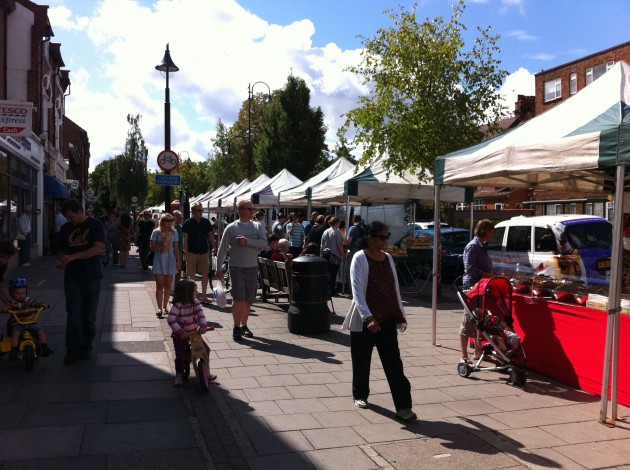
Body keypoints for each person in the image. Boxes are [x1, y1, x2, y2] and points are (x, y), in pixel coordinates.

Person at [341, 221, 416, 421]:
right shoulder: (359, 257)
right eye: (382, 237)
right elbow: (357, 291)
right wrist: (368, 317)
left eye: (387, 236)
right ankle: (360, 394)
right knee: (361, 359)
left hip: (387, 317)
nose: (386, 240)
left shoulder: (388, 258)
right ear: (370, 238)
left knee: (394, 363)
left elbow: (394, 288)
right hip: (365, 319)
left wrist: (400, 315)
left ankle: (404, 407)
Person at [57, 198, 105, 365]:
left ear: (80, 212)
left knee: (89, 315)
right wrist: (62, 259)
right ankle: (73, 349)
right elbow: (61, 249)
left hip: (92, 276)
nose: (70, 220)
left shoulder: (95, 224)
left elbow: (97, 248)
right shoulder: (65, 228)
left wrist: (73, 257)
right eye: (67, 218)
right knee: (73, 314)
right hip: (72, 277)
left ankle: (86, 347)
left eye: (71, 217)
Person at [216, 199, 267, 341]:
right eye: (249, 209)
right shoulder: (231, 228)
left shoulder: (257, 226)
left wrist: (247, 241)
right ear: (240, 210)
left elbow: (264, 243)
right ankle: (236, 326)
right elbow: (222, 250)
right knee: (238, 297)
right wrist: (218, 268)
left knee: (248, 299)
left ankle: (244, 325)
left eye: (252, 209)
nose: (252, 211)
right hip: (236, 266)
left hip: (252, 267)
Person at [167, 278, 215, 387]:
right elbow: (171, 319)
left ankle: (206, 372)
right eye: (195, 290)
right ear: (187, 293)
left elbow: (201, 315)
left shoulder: (196, 303)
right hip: (180, 336)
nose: (197, 292)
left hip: (194, 334)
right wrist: (180, 331)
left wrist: (203, 326)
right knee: (180, 356)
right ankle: (179, 374)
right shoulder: (178, 305)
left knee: (206, 350)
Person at [460, 219, 495, 363]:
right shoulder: (473, 246)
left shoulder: (481, 246)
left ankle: (478, 351)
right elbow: (469, 268)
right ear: (485, 231)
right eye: (492, 231)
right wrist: (486, 274)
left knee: (479, 320)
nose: (493, 234)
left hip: (480, 286)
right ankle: (464, 355)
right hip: (472, 287)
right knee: (468, 320)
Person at [2, 278, 53, 359]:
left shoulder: (28, 300)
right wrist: (5, 309)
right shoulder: (11, 303)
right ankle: (13, 351)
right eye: (17, 293)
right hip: (18, 324)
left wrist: (42, 305)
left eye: (23, 293)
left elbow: (35, 303)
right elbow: (7, 307)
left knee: (40, 331)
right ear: (11, 293)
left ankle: (45, 348)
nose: (21, 295)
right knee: (15, 334)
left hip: (30, 322)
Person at [182, 202, 215, 304]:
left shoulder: (206, 222)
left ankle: (204, 296)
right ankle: (193, 297)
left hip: (204, 251)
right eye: (199, 210)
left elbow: (211, 236)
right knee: (192, 276)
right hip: (192, 252)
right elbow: (185, 239)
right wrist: (186, 252)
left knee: (205, 273)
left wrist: (214, 247)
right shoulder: (187, 223)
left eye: (202, 210)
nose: (201, 212)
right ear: (193, 211)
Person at [151, 214, 181, 318]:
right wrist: (162, 245)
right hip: (159, 260)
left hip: (170, 260)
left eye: (171, 221)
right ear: (162, 221)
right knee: (160, 285)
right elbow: (152, 248)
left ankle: (165, 306)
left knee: (168, 285)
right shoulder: (156, 232)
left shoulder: (174, 232)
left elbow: (176, 248)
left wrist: (178, 261)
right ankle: (159, 308)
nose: (169, 223)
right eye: (167, 221)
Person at [320, 217, 345, 297]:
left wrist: (321, 254)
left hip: (325, 254)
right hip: (334, 255)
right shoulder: (337, 232)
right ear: (337, 223)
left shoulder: (325, 231)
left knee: (327, 273)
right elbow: (339, 245)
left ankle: (325, 289)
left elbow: (322, 245)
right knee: (333, 273)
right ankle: (331, 291)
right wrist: (343, 254)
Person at [173, 210, 185, 284]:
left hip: (179, 251)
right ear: (175, 218)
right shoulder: (171, 227)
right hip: (171, 252)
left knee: (178, 269)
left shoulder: (180, 227)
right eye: (179, 218)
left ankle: (177, 284)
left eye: (181, 218)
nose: (181, 220)